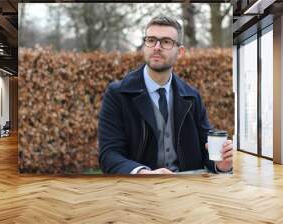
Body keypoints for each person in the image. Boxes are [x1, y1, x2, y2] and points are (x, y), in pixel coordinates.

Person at [98, 16, 233, 174]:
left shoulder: (191, 97)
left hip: (186, 189)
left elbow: (207, 150)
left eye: (166, 42)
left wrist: (221, 164)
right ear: (144, 46)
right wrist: (143, 173)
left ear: (180, 52)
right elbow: (109, 155)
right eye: (151, 40)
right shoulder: (118, 94)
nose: (156, 47)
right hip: (138, 191)